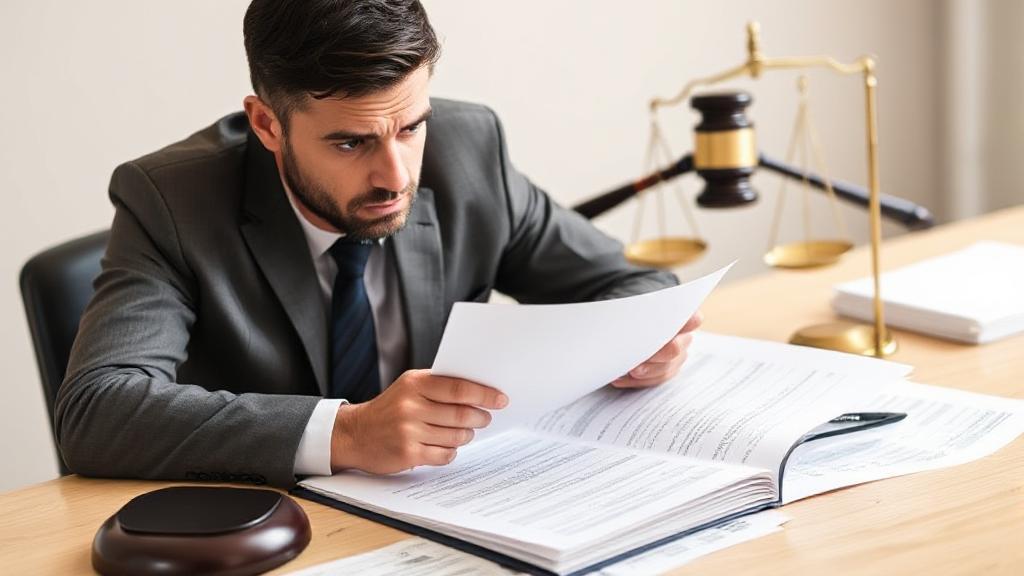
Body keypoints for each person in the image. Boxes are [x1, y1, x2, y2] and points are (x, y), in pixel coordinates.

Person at [54, 0, 701, 489]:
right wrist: (347, 433)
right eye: (350, 142)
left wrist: (644, 343)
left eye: (411, 127)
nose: (396, 177)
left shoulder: (468, 150)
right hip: (274, 533)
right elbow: (96, 410)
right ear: (266, 125)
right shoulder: (171, 202)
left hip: (453, 513)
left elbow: (626, 283)